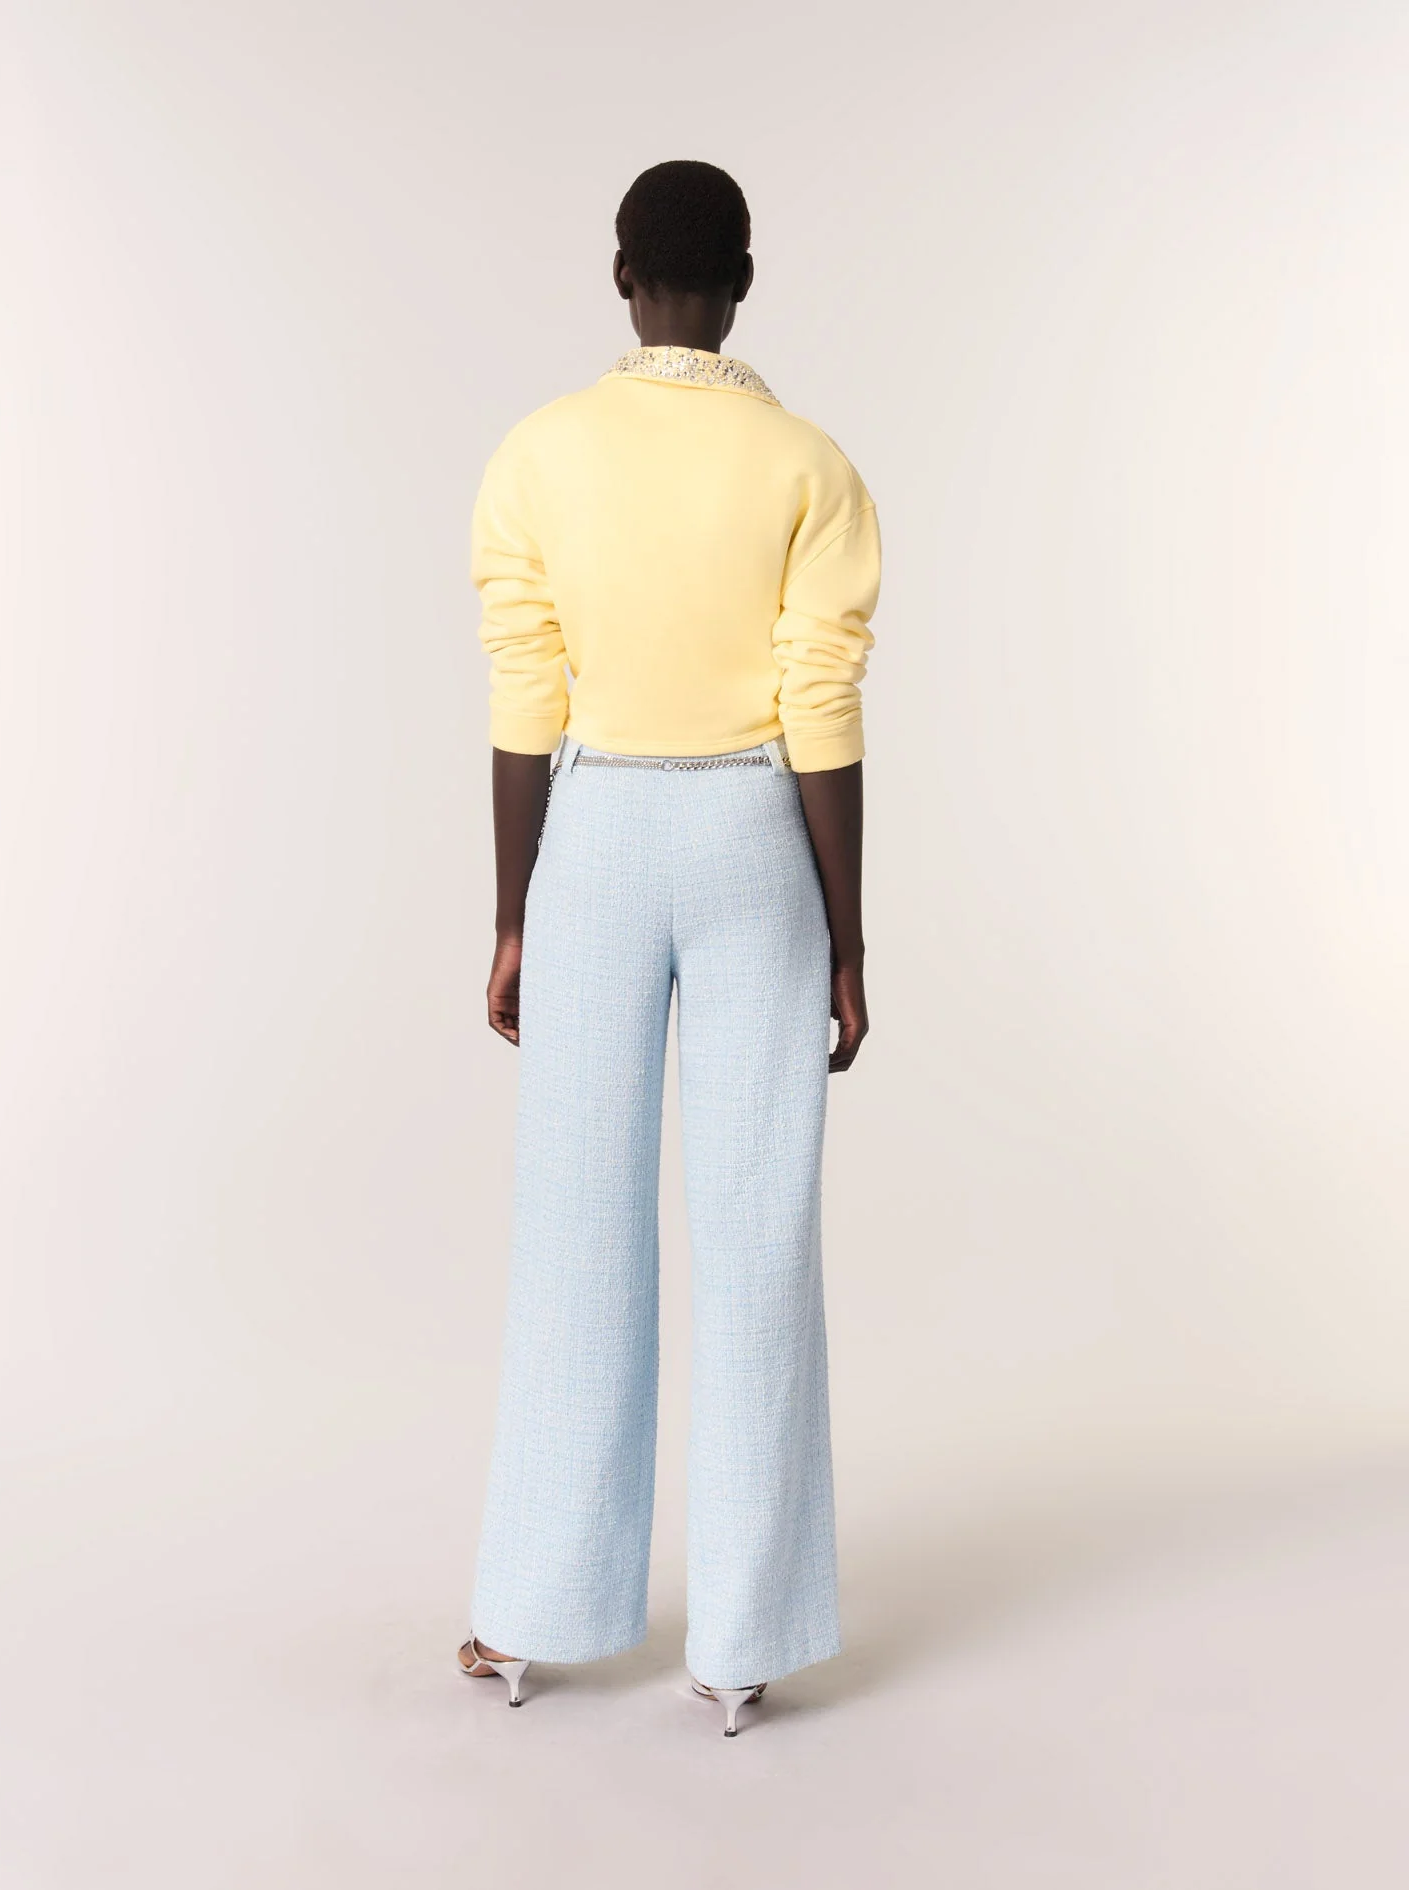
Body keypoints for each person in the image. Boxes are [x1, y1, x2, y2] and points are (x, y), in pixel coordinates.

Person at [458, 159, 881, 1737]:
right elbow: (822, 702)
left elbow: (525, 690)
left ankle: (529, 1616)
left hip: (595, 840)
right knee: (758, 1229)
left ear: (622, 276)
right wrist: (845, 935)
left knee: (576, 1225)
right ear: (744, 281)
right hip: (757, 836)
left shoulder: (538, 452)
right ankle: (742, 1643)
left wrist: (515, 910)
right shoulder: (808, 463)